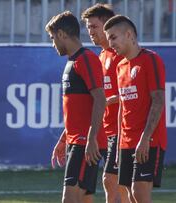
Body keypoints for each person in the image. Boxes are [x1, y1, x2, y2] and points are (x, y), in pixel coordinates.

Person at [104, 15, 167, 203]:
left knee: (139, 193)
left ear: (129, 34)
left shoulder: (150, 60)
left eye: (114, 37)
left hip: (148, 140)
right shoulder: (120, 66)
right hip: (125, 143)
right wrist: (118, 147)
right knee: (130, 196)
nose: (111, 43)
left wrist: (145, 138)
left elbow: (158, 100)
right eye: (109, 39)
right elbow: (123, 106)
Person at [46, 11, 106, 203]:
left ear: (62, 34)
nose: (53, 43)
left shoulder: (86, 59)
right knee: (84, 199)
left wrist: (91, 139)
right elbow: (78, 110)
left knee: (70, 199)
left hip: (83, 144)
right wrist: (64, 138)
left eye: (52, 37)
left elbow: (100, 99)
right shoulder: (72, 62)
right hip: (76, 142)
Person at [81, 4, 129, 203]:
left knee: (111, 181)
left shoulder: (122, 54)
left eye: (94, 26)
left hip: (123, 129)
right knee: (120, 186)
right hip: (106, 130)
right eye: (88, 27)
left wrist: (109, 101)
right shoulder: (101, 56)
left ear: (107, 25)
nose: (90, 32)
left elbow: (133, 92)